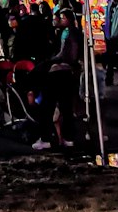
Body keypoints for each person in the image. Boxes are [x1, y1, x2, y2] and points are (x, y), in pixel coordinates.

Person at [32, 9, 82, 149]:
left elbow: (64, 53)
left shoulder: (67, 33)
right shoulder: (77, 32)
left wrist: (49, 62)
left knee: (47, 105)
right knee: (66, 107)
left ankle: (46, 138)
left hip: (60, 71)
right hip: (70, 72)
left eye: (61, 18)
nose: (59, 20)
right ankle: (68, 137)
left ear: (66, 18)